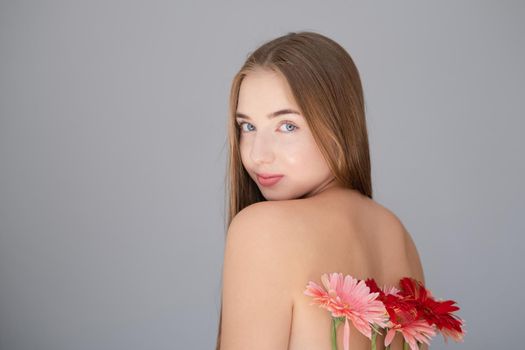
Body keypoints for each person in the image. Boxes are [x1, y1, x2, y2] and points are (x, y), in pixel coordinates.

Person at [215, 31, 426, 350]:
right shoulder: (396, 233)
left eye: (287, 126)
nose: (258, 154)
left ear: (339, 125)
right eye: (248, 126)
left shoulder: (262, 229)